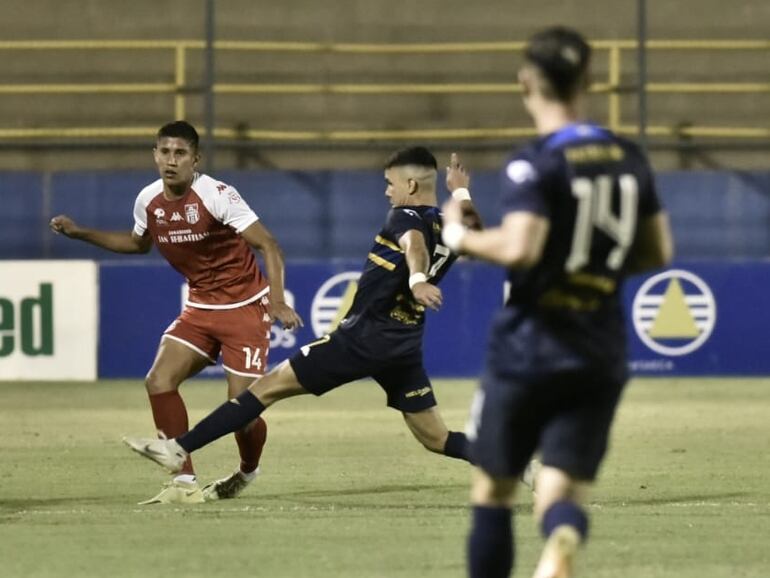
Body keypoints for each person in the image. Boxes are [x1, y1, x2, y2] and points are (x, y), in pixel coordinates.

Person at [440, 27, 674, 578]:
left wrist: (460, 238)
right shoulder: (628, 156)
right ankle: (562, 531)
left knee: (494, 490)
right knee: (560, 484)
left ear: (527, 83)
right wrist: (589, 268)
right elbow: (658, 250)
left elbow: (522, 246)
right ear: (587, 82)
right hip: (600, 349)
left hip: (531, 347)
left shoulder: (536, 162)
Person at [123, 146, 483, 475]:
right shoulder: (449, 225)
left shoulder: (401, 217)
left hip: (360, 339)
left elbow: (413, 243)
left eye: (390, 184)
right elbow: (474, 234)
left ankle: (179, 448)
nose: (387, 192)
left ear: (409, 185)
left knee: (262, 389)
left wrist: (417, 278)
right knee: (436, 437)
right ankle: (519, 466)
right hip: (402, 346)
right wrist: (461, 192)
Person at [50, 120, 302, 505]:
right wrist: (81, 233)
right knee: (159, 379)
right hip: (200, 307)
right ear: (155, 154)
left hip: (244, 308)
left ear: (195, 159)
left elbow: (268, 245)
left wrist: (279, 301)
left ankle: (248, 470)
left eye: (180, 153)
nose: (171, 160)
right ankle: (184, 481)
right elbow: (137, 244)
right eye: (164, 152)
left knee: (244, 412)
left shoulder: (217, 194)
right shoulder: (148, 200)